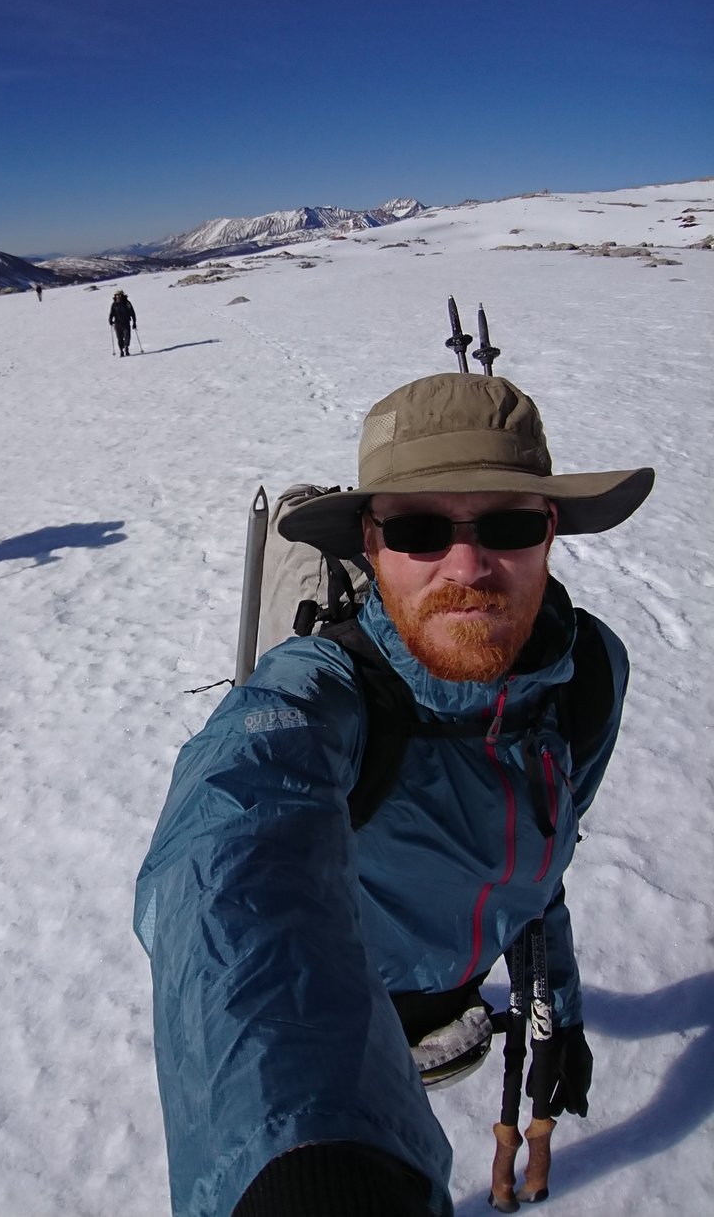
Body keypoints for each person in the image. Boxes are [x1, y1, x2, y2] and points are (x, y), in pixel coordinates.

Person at [134, 372, 654, 1217]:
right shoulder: (323, 691)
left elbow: (545, 864)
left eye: (509, 523)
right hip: (349, 1018)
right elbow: (224, 859)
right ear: (370, 548)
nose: (469, 564)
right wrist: (306, 1162)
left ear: (549, 534)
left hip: (468, 988)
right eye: (418, 529)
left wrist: (557, 1007)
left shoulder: (588, 678)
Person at [108, 289, 136, 356]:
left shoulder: (127, 303)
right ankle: (121, 351)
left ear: (122, 295)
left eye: (119, 294)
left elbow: (132, 312)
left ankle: (126, 348)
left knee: (127, 337)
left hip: (126, 323)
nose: (118, 296)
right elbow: (111, 313)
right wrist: (110, 320)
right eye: (117, 295)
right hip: (117, 324)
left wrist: (134, 322)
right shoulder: (114, 304)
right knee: (119, 338)